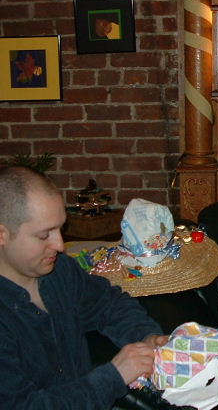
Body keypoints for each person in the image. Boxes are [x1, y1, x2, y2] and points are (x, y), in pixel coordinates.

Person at [0, 166, 169, 408]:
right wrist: (114, 377)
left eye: (60, 228)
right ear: (2, 235)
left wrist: (146, 337)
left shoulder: (60, 271)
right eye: (44, 235)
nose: (60, 245)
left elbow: (109, 304)